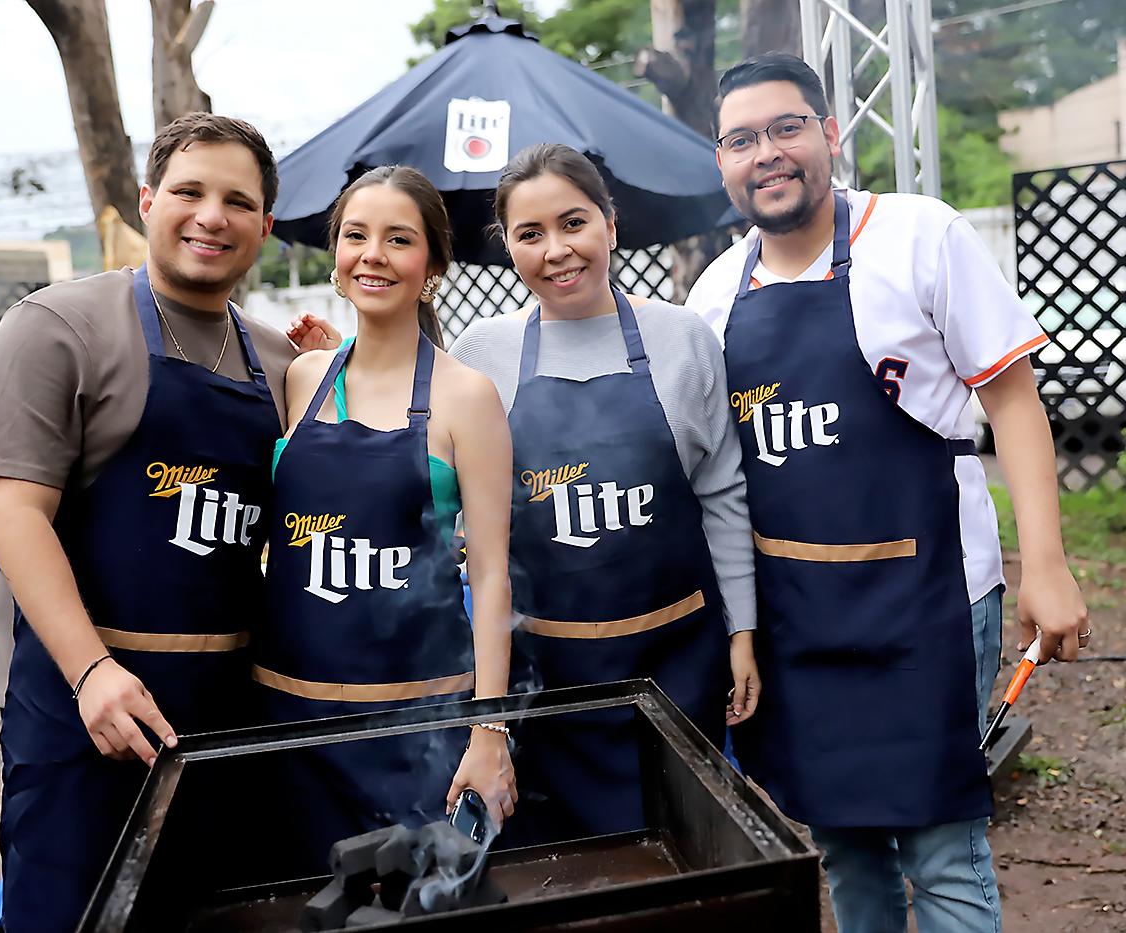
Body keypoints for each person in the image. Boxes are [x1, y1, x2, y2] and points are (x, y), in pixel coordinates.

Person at [685, 53, 1090, 933]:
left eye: (787, 127)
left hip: (930, 597)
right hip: (799, 615)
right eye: (742, 139)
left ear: (831, 134)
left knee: (943, 851)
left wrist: (1046, 566)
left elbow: (1013, 399)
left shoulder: (921, 235)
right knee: (845, 844)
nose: (769, 154)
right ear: (721, 161)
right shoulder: (716, 293)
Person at [0, 113, 295, 932]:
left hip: (222, 716)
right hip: (80, 708)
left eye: (237, 201)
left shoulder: (282, 363)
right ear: (147, 200)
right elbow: (12, 513)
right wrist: (92, 672)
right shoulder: (56, 327)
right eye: (188, 191)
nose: (211, 216)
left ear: (266, 225)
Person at [449, 143, 758, 839]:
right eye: (530, 234)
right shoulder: (480, 356)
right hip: (547, 689)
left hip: (678, 672)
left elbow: (723, 494)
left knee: (687, 853)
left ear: (610, 225)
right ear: (509, 247)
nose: (556, 250)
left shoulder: (682, 339)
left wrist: (742, 631)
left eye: (573, 223)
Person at [256, 165, 516, 864]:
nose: (373, 254)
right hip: (291, 717)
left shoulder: (468, 397)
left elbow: (492, 577)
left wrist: (488, 736)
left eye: (398, 239)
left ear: (431, 265)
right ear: (336, 257)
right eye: (356, 236)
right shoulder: (302, 379)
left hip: (417, 726)